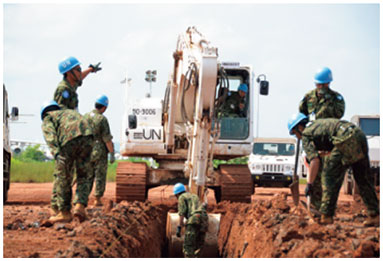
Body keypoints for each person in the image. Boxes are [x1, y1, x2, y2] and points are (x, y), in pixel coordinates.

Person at [287, 113, 379, 226]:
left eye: (295, 134)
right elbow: (329, 147)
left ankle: (326, 216)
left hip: (344, 139)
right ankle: (375, 215)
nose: (297, 137)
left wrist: (309, 184)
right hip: (359, 134)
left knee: (328, 177)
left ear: (300, 127)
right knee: (362, 177)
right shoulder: (318, 126)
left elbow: (314, 161)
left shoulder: (306, 134)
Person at [298, 67, 345, 212]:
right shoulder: (308, 97)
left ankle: (328, 210)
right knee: (315, 178)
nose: (321, 87)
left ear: (328, 84)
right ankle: (314, 208)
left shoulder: (337, 99)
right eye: (318, 84)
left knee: (329, 180)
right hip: (315, 141)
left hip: (329, 144)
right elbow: (302, 114)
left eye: (323, 85)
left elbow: (339, 115)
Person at [41, 101, 94, 223]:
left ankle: (64, 212)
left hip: (69, 139)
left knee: (63, 176)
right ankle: (80, 207)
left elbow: (50, 136)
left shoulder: (49, 117)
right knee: (83, 175)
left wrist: (57, 153)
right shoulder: (69, 112)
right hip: (88, 136)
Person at [84, 95, 115, 206]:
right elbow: (106, 138)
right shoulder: (102, 119)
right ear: (104, 107)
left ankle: (83, 199)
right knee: (100, 175)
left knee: (87, 176)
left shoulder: (85, 117)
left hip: (86, 151)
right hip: (99, 151)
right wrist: (111, 153)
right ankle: (97, 199)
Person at [174, 183, 208, 258]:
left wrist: (179, 227)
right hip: (204, 219)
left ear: (177, 194)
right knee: (199, 246)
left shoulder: (181, 197)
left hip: (194, 219)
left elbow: (182, 212)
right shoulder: (194, 196)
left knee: (188, 247)